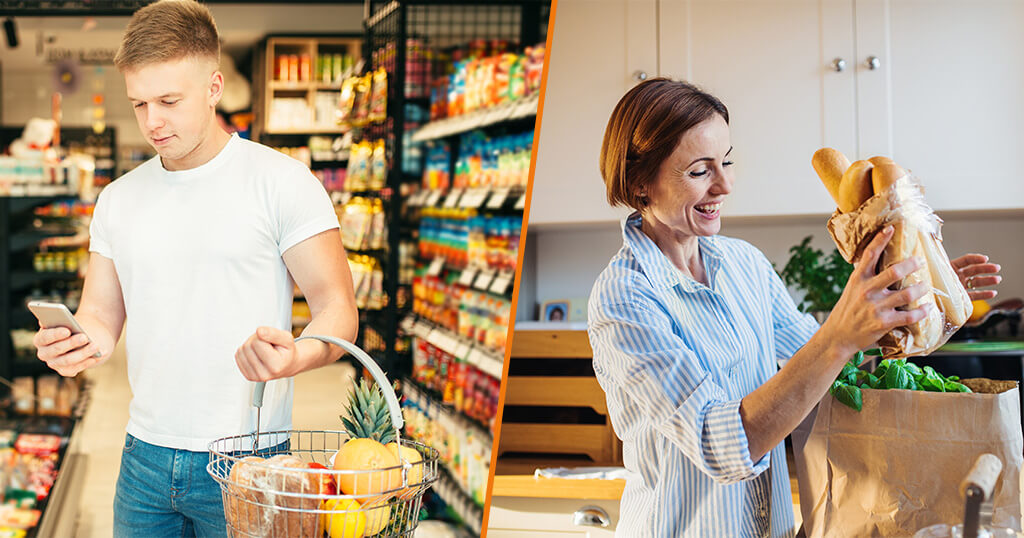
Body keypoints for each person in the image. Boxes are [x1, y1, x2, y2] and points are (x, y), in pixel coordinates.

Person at [587, 78, 1001, 537]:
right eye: (700, 171)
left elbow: (837, 375)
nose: (724, 185)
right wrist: (837, 336)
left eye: (726, 162)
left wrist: (919, 301)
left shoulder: (744, 264)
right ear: (640, 181)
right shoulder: (624, 298)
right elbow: (721, 445)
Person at [31, 1, 358, 535]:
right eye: (139, 103)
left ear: (214, 87)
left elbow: (338, 308)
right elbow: (99, 319)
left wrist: (296, 356)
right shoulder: (118, 199)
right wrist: (73, 346)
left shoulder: (282, 182)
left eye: (169, 100)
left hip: (249, 461)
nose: (152, 122)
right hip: (144, 457)